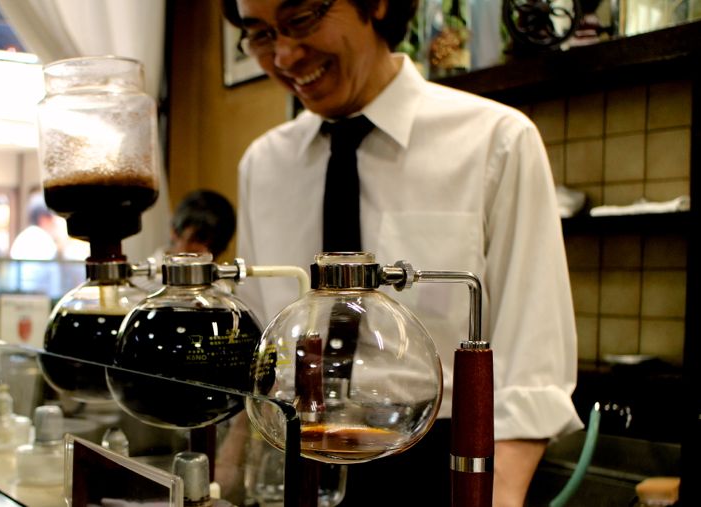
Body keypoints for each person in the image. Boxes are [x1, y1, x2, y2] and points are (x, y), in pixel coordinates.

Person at [222, 1, 582, 506]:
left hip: (442, 462)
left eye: (301, 20)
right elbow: (265, 350)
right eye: (260, 34)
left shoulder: (494, 140)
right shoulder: (264, 164)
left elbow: (533, 361)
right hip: (295, 454)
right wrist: (231, 469)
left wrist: (493, 496)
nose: (283, 55)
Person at [153, 189, 237, 261]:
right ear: (174, 232)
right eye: (200, 239)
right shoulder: (149, 274)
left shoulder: (219, 274)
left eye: (215, 247)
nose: (206, 254)